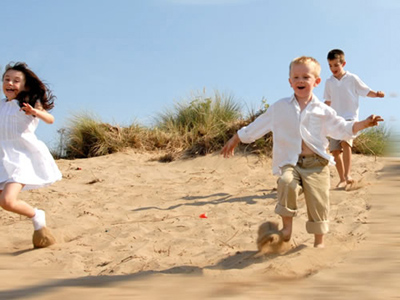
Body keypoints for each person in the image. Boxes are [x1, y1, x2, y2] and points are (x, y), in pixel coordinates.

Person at [221, 56, 383, 248]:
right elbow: (258, 125)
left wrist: (364, 123)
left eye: (306, 77)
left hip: (317, 164)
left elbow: (342, 128)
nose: (300, 80)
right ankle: (286, 229)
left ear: (316, 81)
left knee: (319, 201)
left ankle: (318, 243)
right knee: (285, 182)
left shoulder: (323, 110)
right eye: (296, 77)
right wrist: (236, 138)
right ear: (290, 82)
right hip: (291, 162)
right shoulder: (280, 107)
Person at [1, 62, 62, 248]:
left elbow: (50, 120)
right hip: (2, 157)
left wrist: (35, 111)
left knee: (7, 200)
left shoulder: (28, 103)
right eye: (6, 79)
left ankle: (37, 215)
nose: (10, 83)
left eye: (16, 80)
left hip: (21, 156)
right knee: (4, 202)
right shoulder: (1, 105)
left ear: (25, 85)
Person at [324, 49, 385, 188]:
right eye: (330, 65)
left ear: (343, 63)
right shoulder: (329, 82)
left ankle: (348, 175)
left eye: (336, 65)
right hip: (334, 120)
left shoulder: (352, 78)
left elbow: (365, 91)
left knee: (346, 144)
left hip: (350, 119)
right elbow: (327, 101)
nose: (333, 68)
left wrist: (377, 94)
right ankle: (342, 179)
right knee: (334, 151)